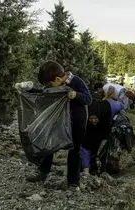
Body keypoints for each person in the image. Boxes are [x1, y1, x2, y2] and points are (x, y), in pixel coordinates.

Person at [27, 60, 92, 190]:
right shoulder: (54, 85)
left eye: (50, 83)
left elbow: (88, 99)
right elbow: (44, 93)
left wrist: (76, 95)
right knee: (49, 142)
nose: (49, 86)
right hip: (59, 119)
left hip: (77, 121)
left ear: (57, 79)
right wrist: (28, 89)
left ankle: (73, 181)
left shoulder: (76, 81)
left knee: (74, 150)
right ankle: (42, 172)